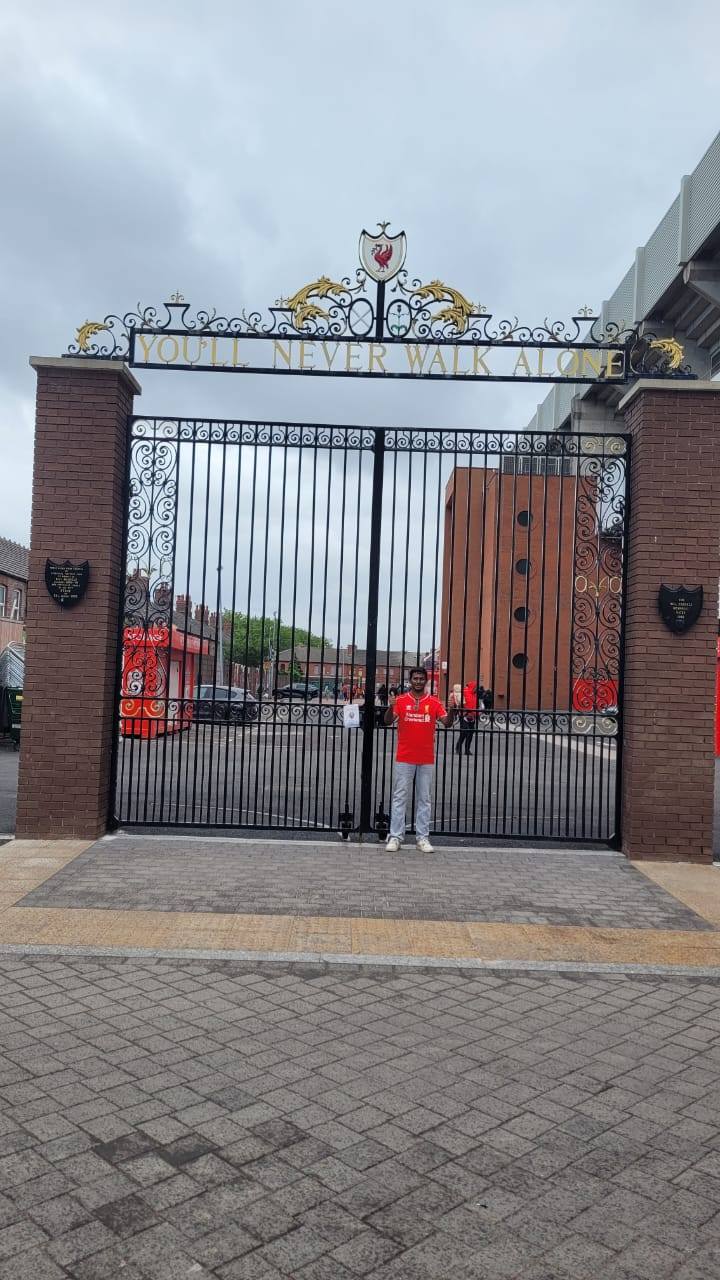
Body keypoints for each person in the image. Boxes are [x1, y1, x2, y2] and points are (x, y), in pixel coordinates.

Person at [384, 667, 458, 853]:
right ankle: (395, 837)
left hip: (426, 757)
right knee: (399, 797)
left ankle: (422, 838)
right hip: (404, 756)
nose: (418, 681)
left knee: (424, 799)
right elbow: (387, 721)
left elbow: (447, 723)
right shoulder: (401, 700)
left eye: (421, 679)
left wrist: (453, 709)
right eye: (415, 678)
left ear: (426, 681)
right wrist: (390, 706)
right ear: (410, 680)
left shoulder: (433, 702)